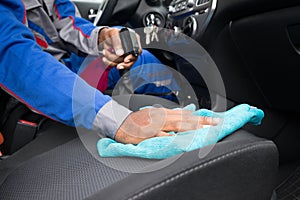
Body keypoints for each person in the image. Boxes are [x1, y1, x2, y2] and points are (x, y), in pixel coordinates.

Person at [0, 0, 219, 145]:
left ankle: (197, 111)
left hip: (68, 66)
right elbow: (16, 59)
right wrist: (120, 120)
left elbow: (68, 23)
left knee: (143, 63)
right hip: (24, 96)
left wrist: (103, 37)